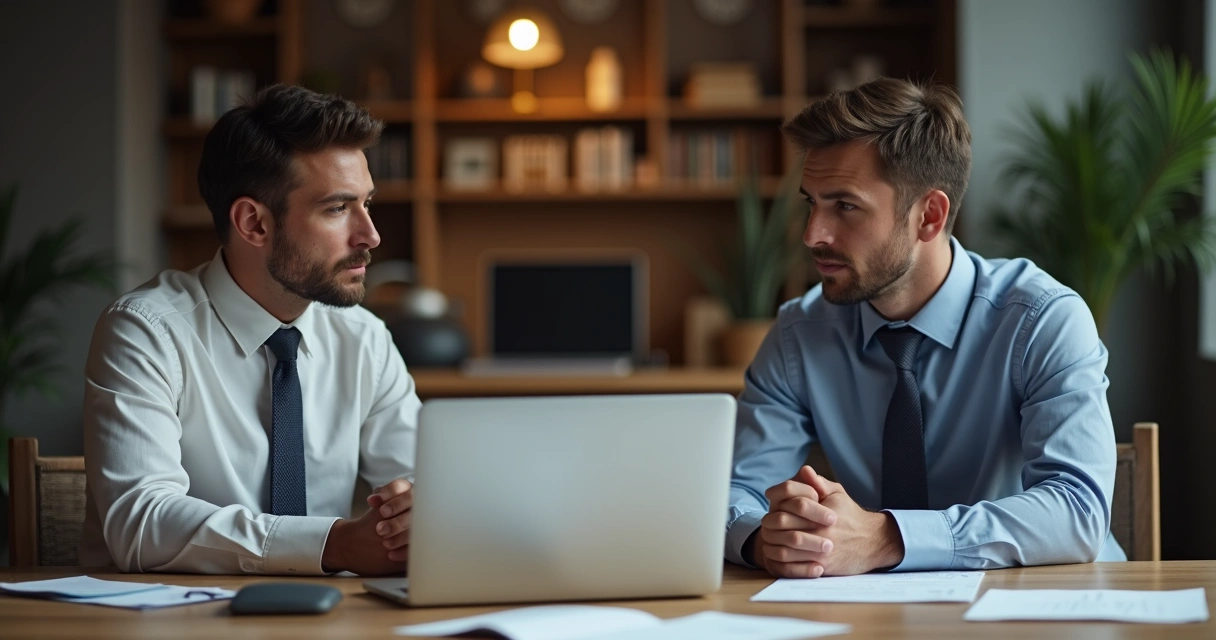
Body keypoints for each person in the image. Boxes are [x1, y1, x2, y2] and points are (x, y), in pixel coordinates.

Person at [726, 77, 1124, 578]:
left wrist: (888, 537)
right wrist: (766, 539)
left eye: (844, 206)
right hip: (875, 616)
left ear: (929, 217)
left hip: (1047, 605)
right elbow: (735, 491)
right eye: (812, 203)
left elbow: (1077, 512)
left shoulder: (1042, 320)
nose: (813, 234)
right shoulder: (798, 335)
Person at [79, 85, 419, 575]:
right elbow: (141, 522)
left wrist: (417, 513)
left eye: (367, 203)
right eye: (338, 209)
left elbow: (422, 489)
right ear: (254, 223)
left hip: (339, 620)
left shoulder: (364, 340)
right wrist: (334, 545)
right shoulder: (144, 333)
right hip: (174, 621)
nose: (370, 235)